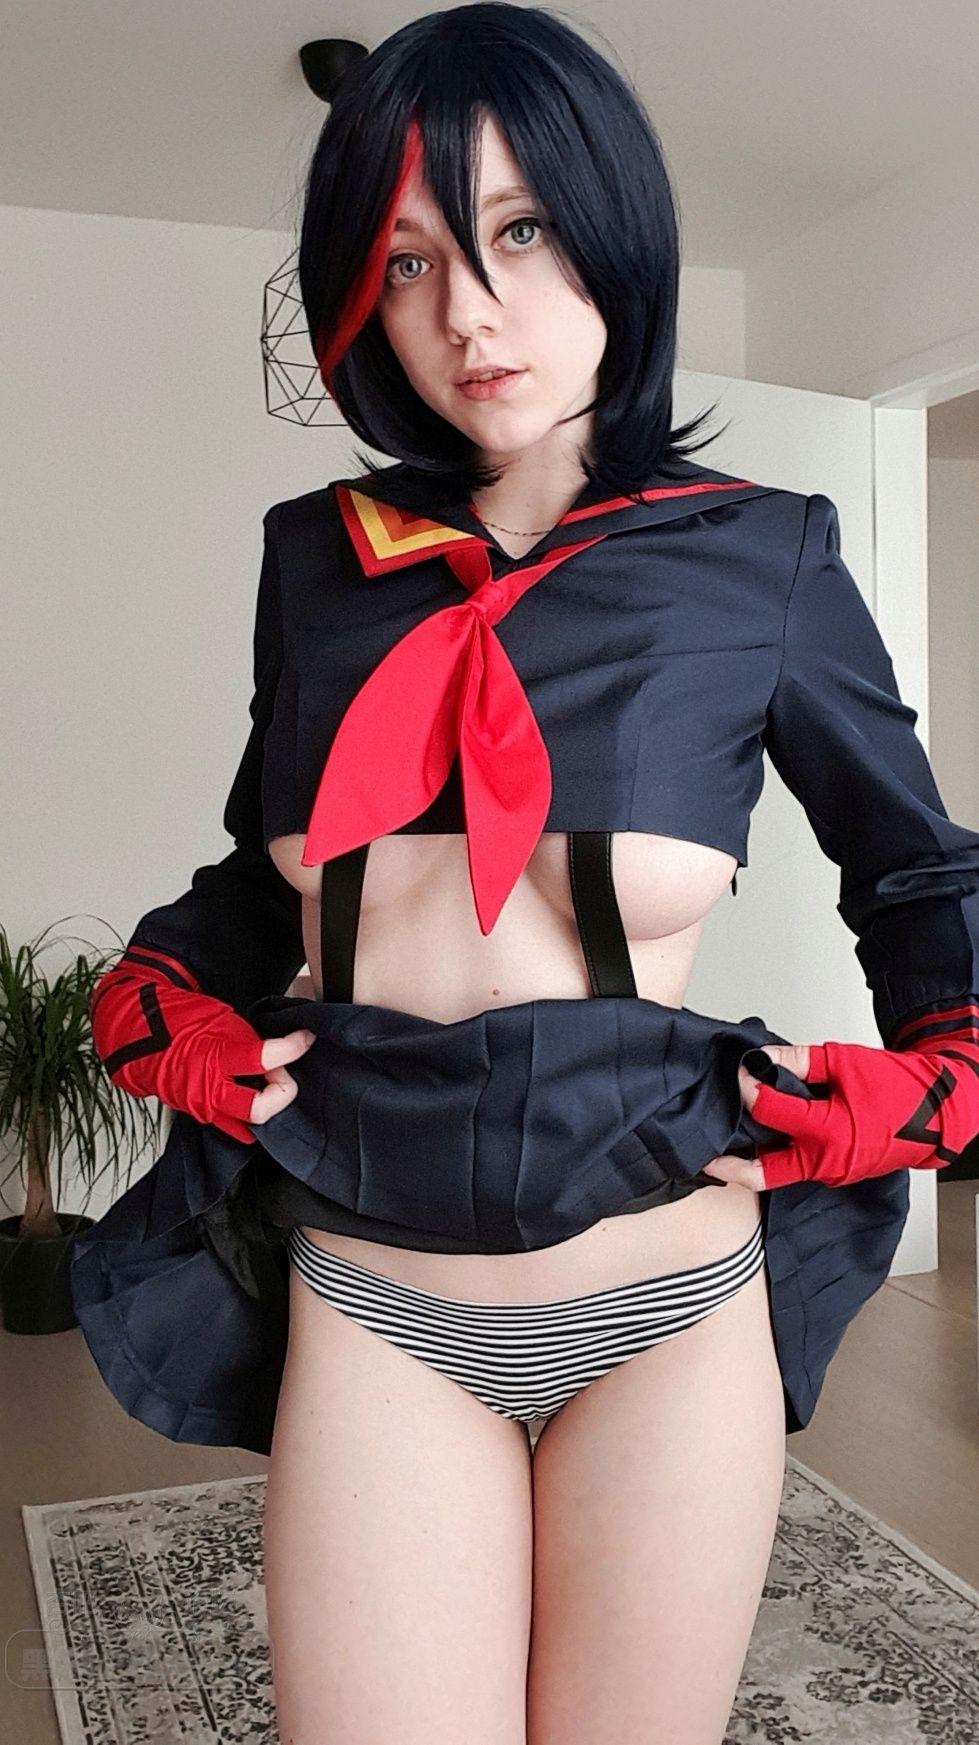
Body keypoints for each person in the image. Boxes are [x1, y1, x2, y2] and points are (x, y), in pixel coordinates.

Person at [72, 7, 979, 1742]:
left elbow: (920, 873)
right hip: (377, 1293)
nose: (468, 313)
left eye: (522, 230)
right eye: (409, 260)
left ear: (615, 228)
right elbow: (273, 876)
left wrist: (940, 1080)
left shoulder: (762, 561)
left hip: (668, 1297)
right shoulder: (318, 564)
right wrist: (161, 997)